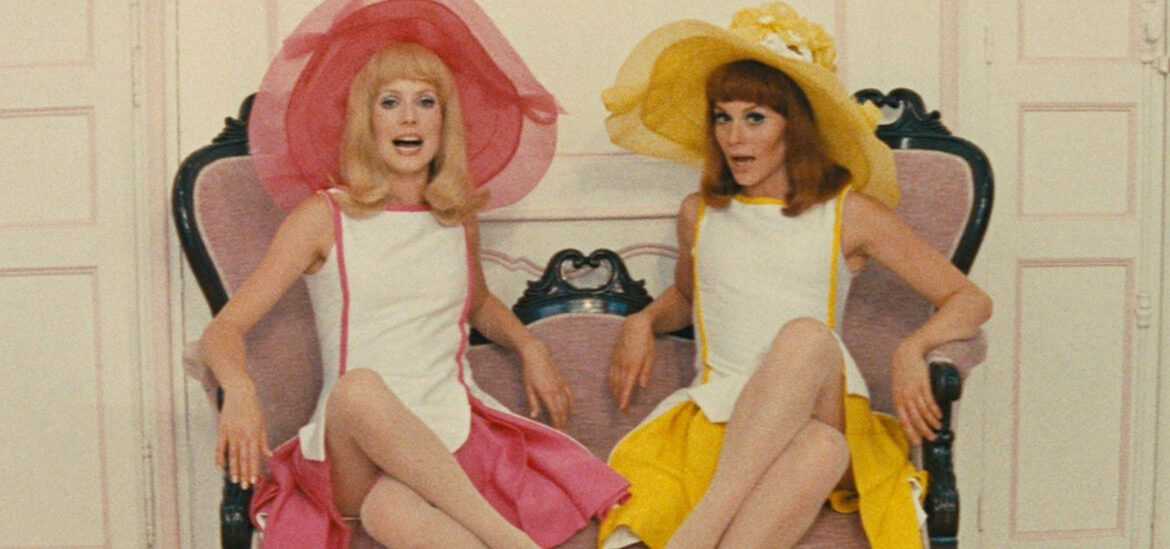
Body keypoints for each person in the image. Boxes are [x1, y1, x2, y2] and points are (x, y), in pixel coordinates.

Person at [199, 1, 628, 547]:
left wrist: (530, 346)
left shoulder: (456, 217)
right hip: (349, 448)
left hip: (449, 433)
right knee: (357, 389)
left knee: (392, 509)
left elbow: (477, 303)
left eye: (426, 102)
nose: (409, 118)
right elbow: (224, 329)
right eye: (390, 102)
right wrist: (238, 389)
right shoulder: (325, 216)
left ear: (443, 122)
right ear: (367, 120)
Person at [596, 3, 992, 549]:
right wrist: (643, 320)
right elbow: (690, 296)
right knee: (819, 451)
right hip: (723, 418)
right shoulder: (698, 213)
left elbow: (970, 299)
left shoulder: (848, 214)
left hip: (826, 403)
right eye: (723, 117)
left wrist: (912, 348)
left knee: (806, 337)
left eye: (755, 118)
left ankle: (698, 533)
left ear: (794, 128)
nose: (735, 137)